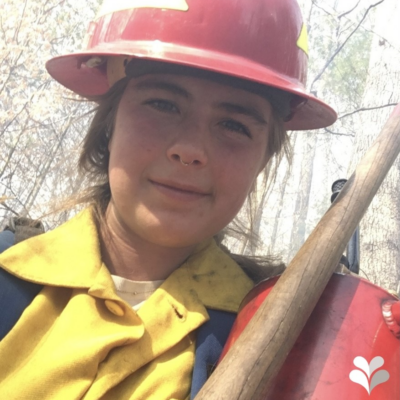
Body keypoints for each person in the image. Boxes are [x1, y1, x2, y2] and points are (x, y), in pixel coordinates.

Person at [0, 0, 336, 399]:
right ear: (109, 122)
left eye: (233, 125)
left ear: (262, 159)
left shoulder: (284, 342)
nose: (190, 149)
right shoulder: (10, 274)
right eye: (162, 104)